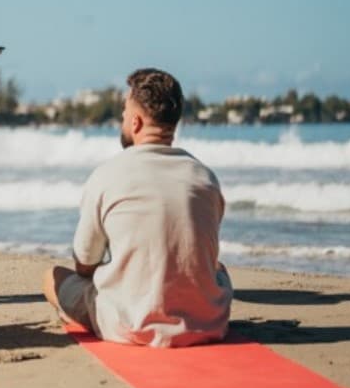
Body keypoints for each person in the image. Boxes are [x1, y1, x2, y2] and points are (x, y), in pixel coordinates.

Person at [43, 68, 233, 348]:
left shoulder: (108, 175)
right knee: (220, 271)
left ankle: (77, 314)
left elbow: (84, 265)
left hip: (129, 324)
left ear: (136, 122)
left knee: (52, 277)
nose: (121, 119)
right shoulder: (205, 177)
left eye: (123, 113)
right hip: (207, 322)